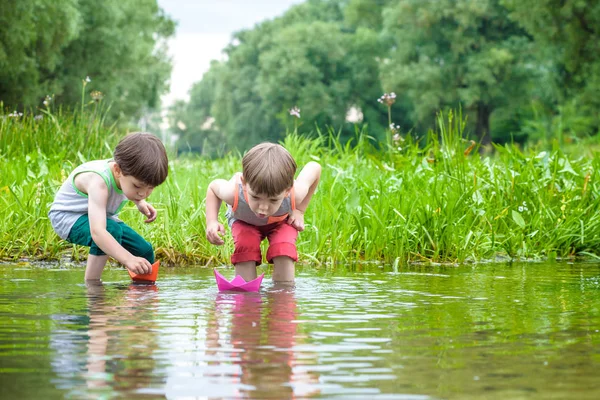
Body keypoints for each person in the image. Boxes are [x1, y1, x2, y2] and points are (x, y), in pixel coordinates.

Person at [48, 132, 168, 281]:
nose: (144, 193)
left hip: (103, 217)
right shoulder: (98, 182)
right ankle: (92, 286)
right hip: (67, 217)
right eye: (138, 186)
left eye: (151, 188)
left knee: (143, 250)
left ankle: (142, 293)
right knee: (111, 230)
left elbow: (128, 188)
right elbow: (98, 231)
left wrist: (140, 202)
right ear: (117, 170)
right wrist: (128, 259)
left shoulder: (127, 174)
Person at [205, 142, 321, 285]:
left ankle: (283, 293)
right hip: (244, 222)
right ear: (245, 183)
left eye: (273, 200)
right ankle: (246, 292)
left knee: (284, 249)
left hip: (281, 222)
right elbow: (213, 187)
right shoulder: (233, 192)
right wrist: (211, 221)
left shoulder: (295, 194)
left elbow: (315, 168)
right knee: (246, 246)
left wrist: (299, 210)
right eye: (256, 197)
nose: (263, 208)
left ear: (287, 190)